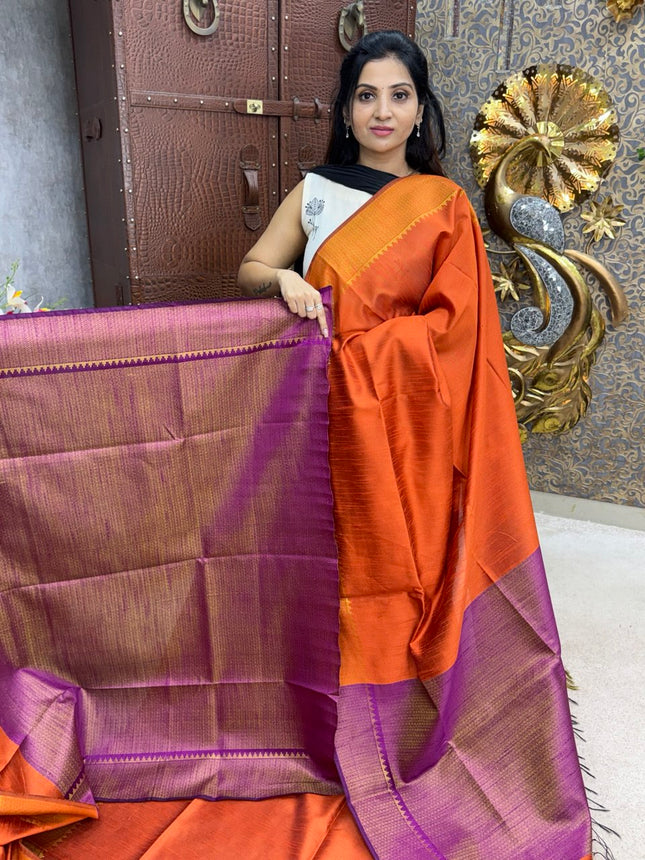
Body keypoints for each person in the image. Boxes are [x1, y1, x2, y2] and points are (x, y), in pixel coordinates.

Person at [238, 29, 592, 859]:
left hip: (413, 424)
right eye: (365, 95)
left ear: (419, 107)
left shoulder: (440, 204)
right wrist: (284, 277)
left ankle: (414, 708)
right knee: (335, 563)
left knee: (416, 564)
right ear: (344, 109)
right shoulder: (314, 192)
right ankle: (333, 712)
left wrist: (374, 350)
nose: (381, 111)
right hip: (323, 416)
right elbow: (252, 267)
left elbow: (456, 330)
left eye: (398, 95)